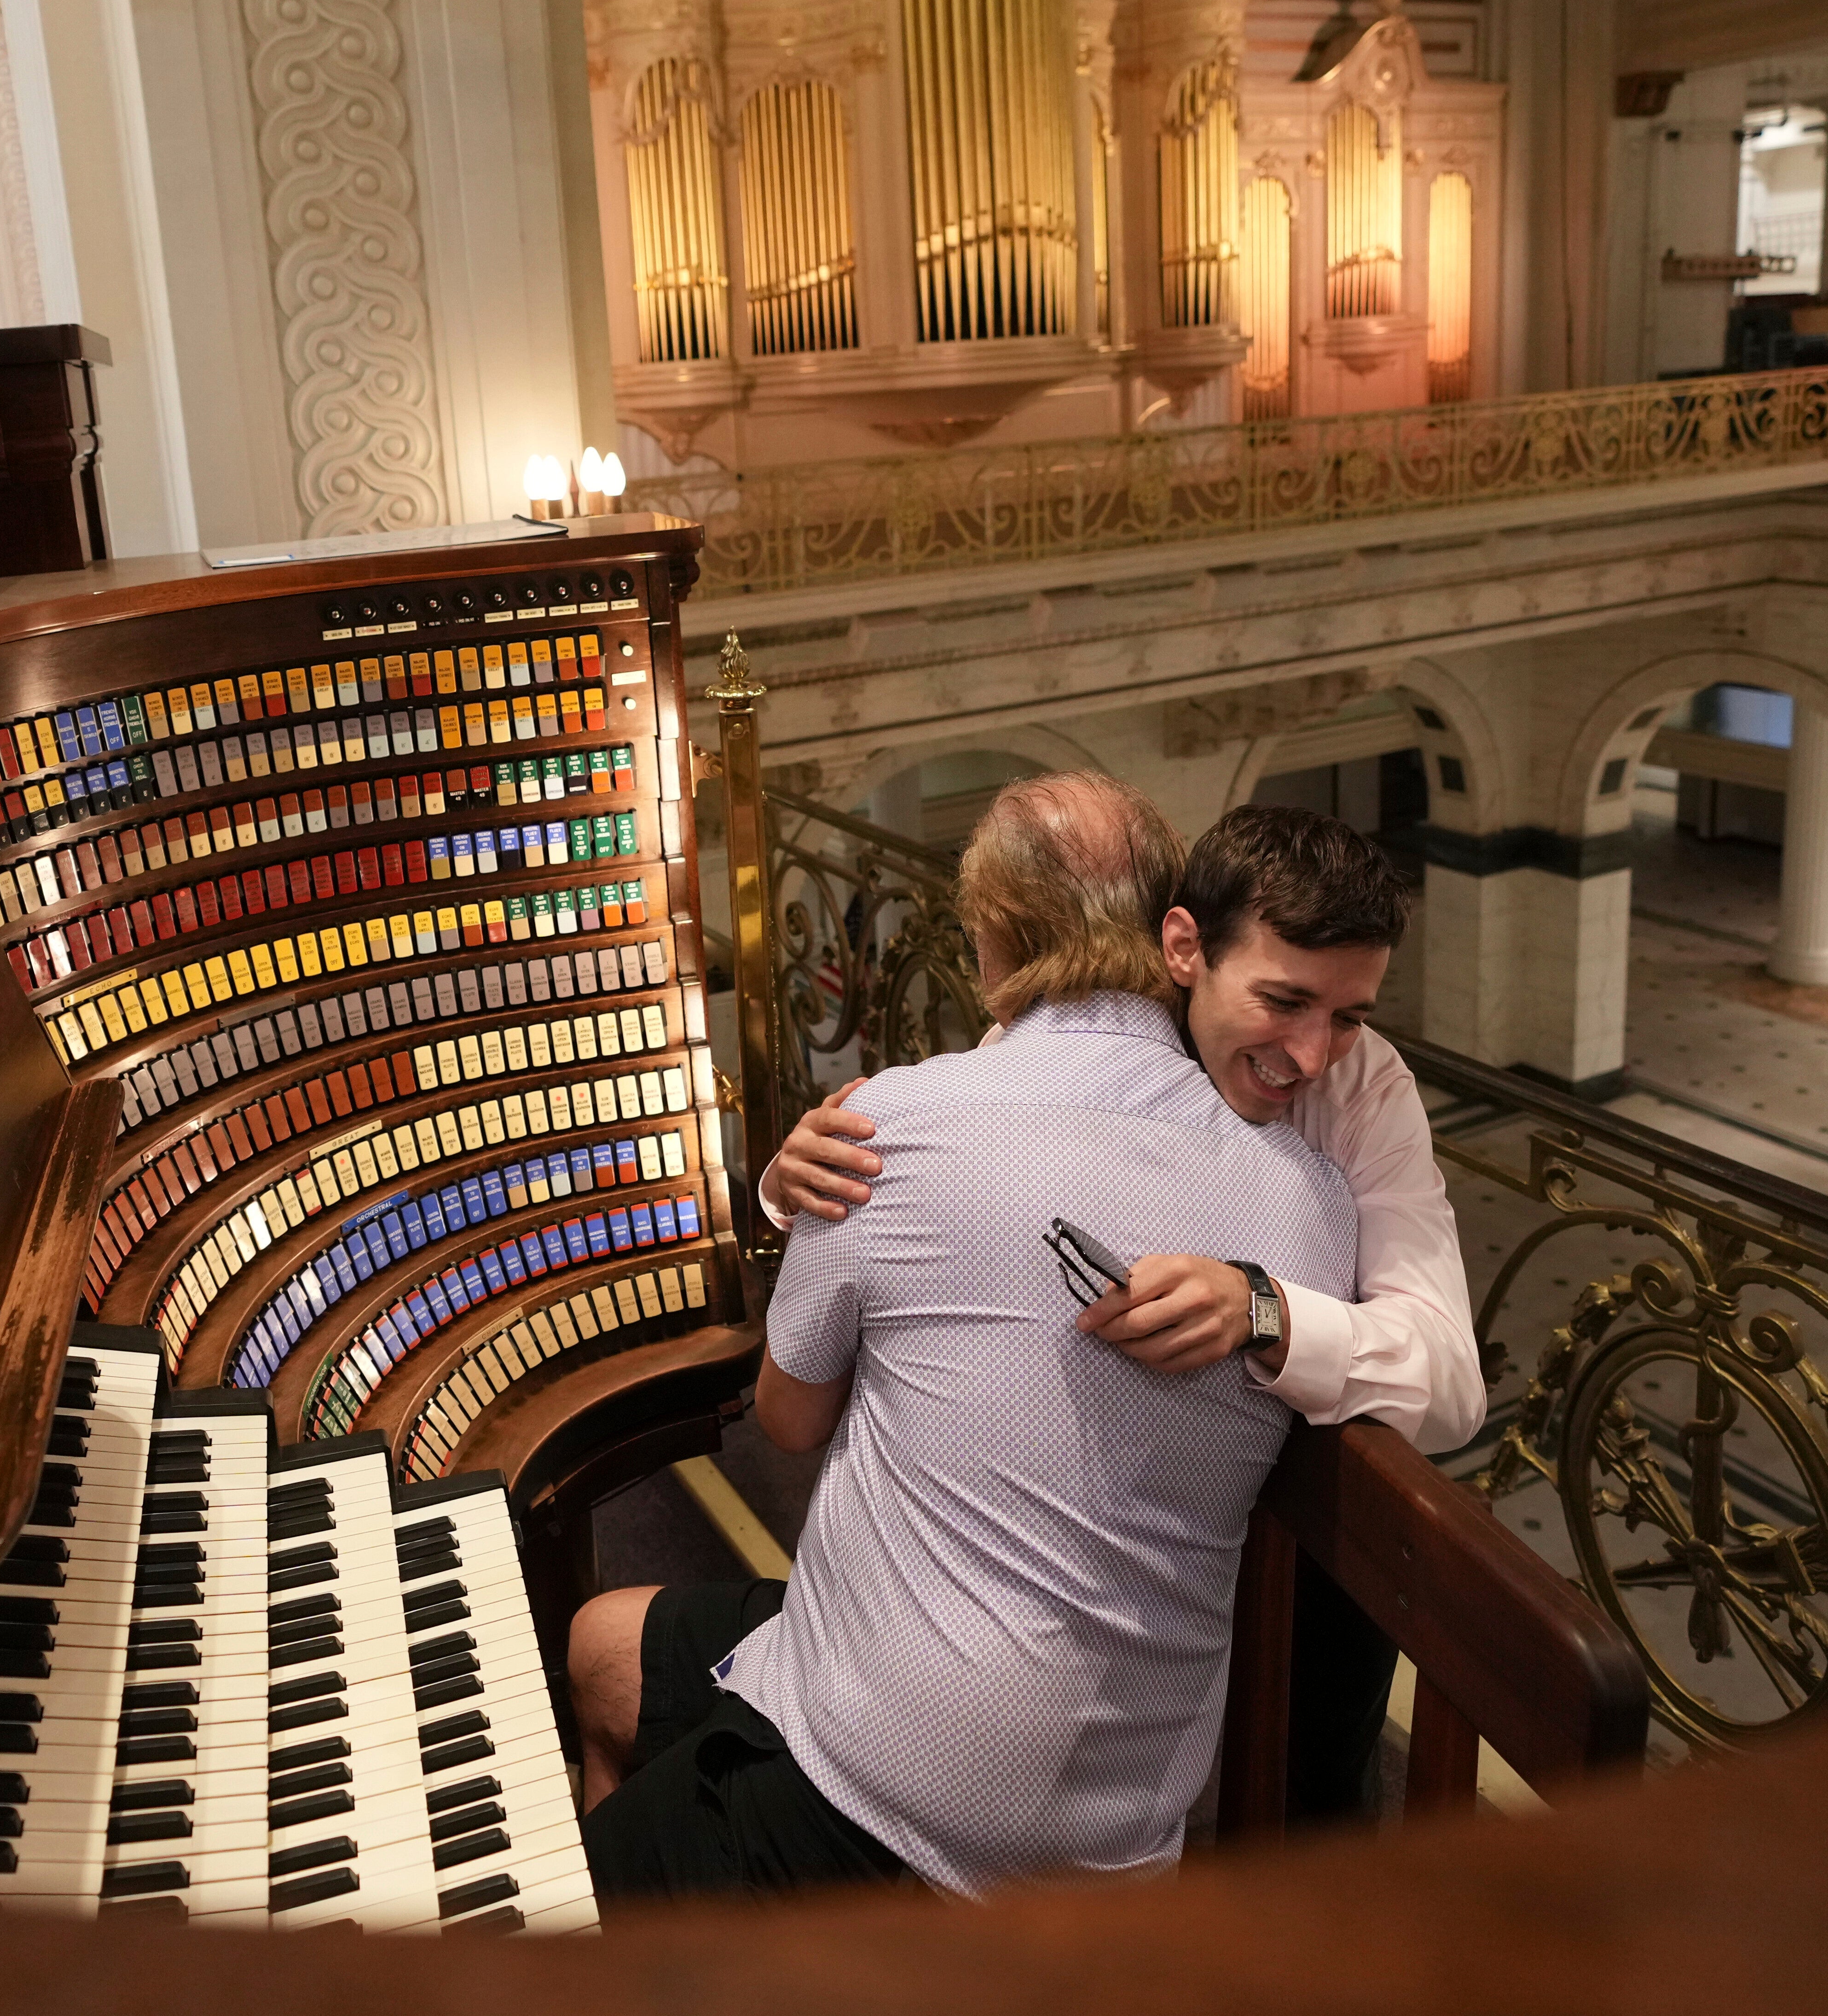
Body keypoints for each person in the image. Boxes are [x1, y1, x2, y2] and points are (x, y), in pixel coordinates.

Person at [570, 774, 1361, 1901]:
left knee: (549, 1923)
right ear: (1170, 939)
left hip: (884, 1792)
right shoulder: (1313, 1202)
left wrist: (803, 1223)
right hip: (1127, 1824)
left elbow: (789, 1423)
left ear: (990, 943)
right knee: (609, 1649)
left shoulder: (893, 1126)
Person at [756, 797, 1482, 1823]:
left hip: (1307, 1525)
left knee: (1312, 1814)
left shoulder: (1365, 1092)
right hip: (1104, 1554)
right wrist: (791, 1183)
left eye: (1350, 1015)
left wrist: (1265, 1311)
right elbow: (924, 1177)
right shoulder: (1048, 1041)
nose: (1315, 1055)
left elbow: (1450, 1387)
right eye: (1284, 1002)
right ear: (1183, 950)